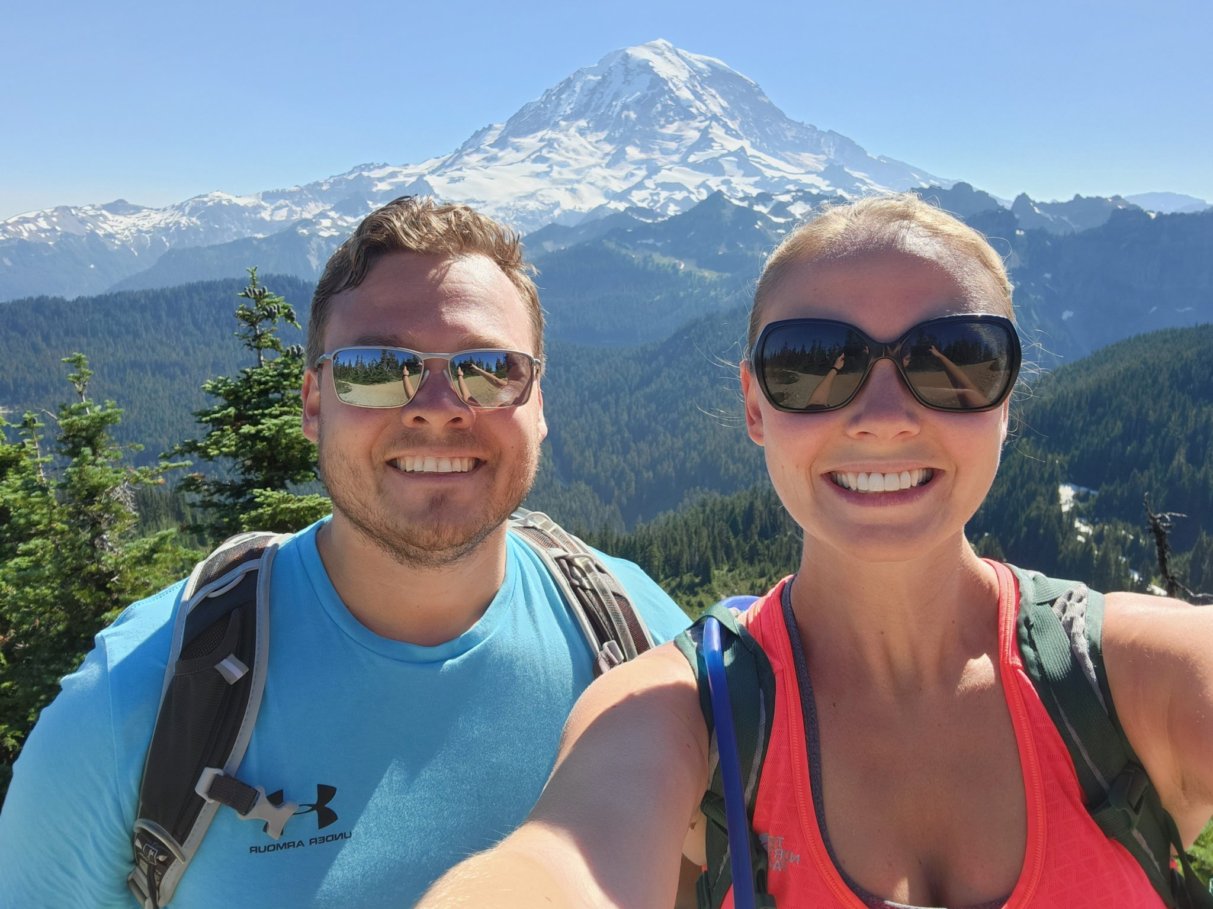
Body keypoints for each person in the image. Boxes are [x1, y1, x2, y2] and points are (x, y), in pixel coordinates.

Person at [417, 194, 1213, 908]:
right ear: (753, 405)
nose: (883, 414)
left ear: (1007, 395)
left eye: (957, 357)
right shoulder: (681, 715)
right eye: (808, 364)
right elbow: (562, 863)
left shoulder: (1136, 677)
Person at [0, 196, 691, 907]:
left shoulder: (637, 638)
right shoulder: (140, 695)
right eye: (374, 367)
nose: (436, 403)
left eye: (488, 368)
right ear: (312, 402)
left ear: (538, 404)